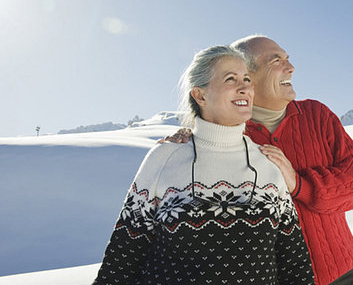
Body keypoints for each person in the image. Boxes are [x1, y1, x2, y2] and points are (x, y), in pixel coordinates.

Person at [93, 45, 314, 285]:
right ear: (200, 95)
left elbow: (295, 265)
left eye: (247, 79)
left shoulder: (267, 164)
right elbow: (122, 260)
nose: (244, 88)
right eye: (231, 79)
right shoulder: (166, 157)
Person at [166, 36, 353, 285]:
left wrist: (300, 185)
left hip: (342, 276)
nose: (291, 68)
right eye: (276, 61)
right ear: (248, 76)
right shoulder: (218, 136)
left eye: (287, 59)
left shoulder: (317, 115)